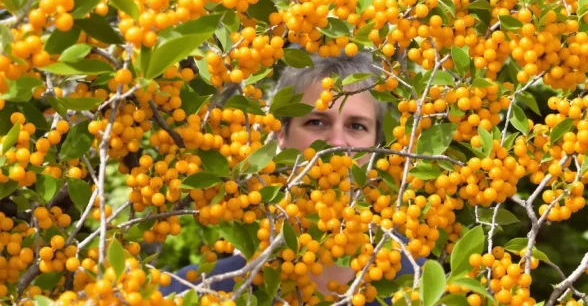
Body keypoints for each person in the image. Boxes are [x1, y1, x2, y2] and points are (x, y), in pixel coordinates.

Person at [160, 50, 423, 304]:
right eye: (316, 122)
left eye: (356, 126)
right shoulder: (192, 294)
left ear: (376, 143)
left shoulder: (418, 289)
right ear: (281, 134)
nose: (337, 142)